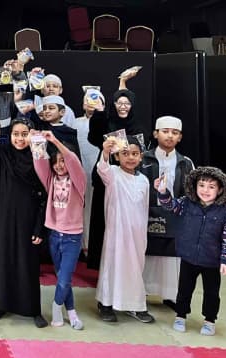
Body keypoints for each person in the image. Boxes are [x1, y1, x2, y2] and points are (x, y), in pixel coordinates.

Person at [0, 118, 48, 328]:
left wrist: (39, 226)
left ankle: (34, 309)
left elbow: (45, 195)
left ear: (31, 135)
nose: (19, 138)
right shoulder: (3, 154)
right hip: (4, 218)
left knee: (28, 264)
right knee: (5, 260)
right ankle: (3, 305)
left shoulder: (39, 158)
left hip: (28, 220)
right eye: (15, 134)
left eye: (24, 134)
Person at [156, 166, 226, 336]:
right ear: (195, 186)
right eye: (202, 185)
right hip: (188, 257)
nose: (205, 190)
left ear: (220, 189)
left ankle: (209, 320)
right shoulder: (186, 203)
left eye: (211, 186)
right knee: (184, 289)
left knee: (212, 293)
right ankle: (180, 316)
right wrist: (163, 191)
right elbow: (170, 206)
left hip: (212, 261)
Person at [86, 69, 146, 270]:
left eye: (127, 103)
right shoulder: (106, 120)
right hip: (106, 177)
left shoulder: (137, 126)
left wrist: (122, 82)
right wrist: (99, 114)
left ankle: (124, 264)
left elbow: (141, 152)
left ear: (132, 106)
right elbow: (94, 138)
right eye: (119, 103)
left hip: (128, 181)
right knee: (102, 221)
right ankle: (101, 265)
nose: (123, 106)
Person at [95, 135, 154, 323]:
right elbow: (101, 168)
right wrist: (105, 151)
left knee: (135, 268)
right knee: (112, 266)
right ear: (117, 156)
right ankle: (105, 303)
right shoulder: (112, 173)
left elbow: (144, 207)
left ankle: (134, 305)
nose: (130, 158)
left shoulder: (144, 180)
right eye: (125, 153)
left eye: (135, 154)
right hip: (117, 232)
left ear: (141, 156)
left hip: (137, 234)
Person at [33, 131, 86, 330]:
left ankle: (57, 308)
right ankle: (71, 313)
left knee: (64, 279)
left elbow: (72, 161)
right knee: (63, 277)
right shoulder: (51, 179)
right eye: (56, 161)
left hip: (72, 236)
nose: (59, 165)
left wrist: (55, 140)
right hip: (54, 234)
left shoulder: (78, 181)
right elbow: (39, 161)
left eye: (62, 161)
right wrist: (36, 140)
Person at [140, 116, 194, 309]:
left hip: (174, 216)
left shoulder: (185, 163)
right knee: (146, 255)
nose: (170, 136)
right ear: (156, 134)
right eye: (165, 131)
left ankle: (171, 295)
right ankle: (140, 293)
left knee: (172, 259)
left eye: (175, 132)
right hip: (145, 213)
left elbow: (190, 191)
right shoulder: (143, 158)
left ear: (180, 137)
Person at [72, 91, 100, 256]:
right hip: (79, 170)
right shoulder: (75, 122)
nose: (91, 103)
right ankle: (81, 244)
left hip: (98, 172)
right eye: (88, 100)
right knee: (80, 207)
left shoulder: (106, 122)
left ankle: (93, 244)